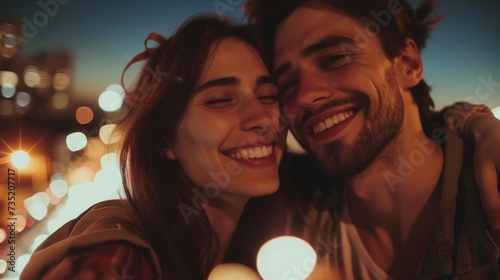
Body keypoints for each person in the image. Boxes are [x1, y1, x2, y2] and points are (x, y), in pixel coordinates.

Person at [243, 0, 500, 279]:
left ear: (408, 64)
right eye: (288, 84)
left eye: (333, 58)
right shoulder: (296, 234)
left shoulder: (490, 193)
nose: (305, 96)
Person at [21, 15, 286, 280]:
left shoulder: (277, 240)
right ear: (164, 140)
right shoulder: (124, 242)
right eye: (220, 100)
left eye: (268, 96)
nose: (262, 118)